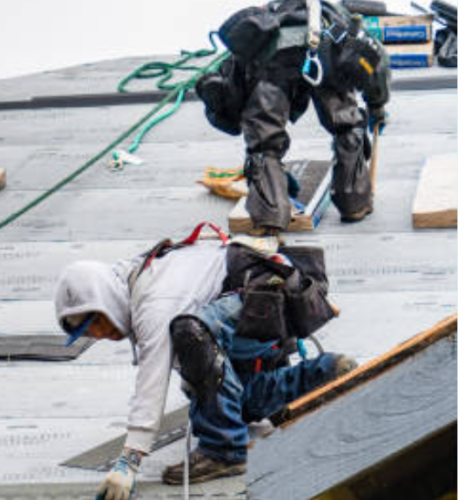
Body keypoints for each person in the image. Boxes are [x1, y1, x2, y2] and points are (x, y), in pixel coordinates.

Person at [53, 224, 356, 500]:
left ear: (104, 300)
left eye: (95, 324)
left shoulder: (153, 301)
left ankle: (223, 450)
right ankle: (325, 374)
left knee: (190, 335)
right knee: (238, 402)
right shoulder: (131, 278)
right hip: (265, 299)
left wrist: (129, 459)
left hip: (265, 298)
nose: (99, 335)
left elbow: (152, 379)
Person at [196, 0, 391, 234]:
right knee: (347, 127)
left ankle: (270, 214)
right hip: (324, 59)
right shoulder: (335, 17)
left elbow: (235, 84)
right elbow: (375, 63)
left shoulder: (262, 23)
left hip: (272, 67)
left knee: (264, 145)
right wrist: (377, 107)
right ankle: (354, 202)